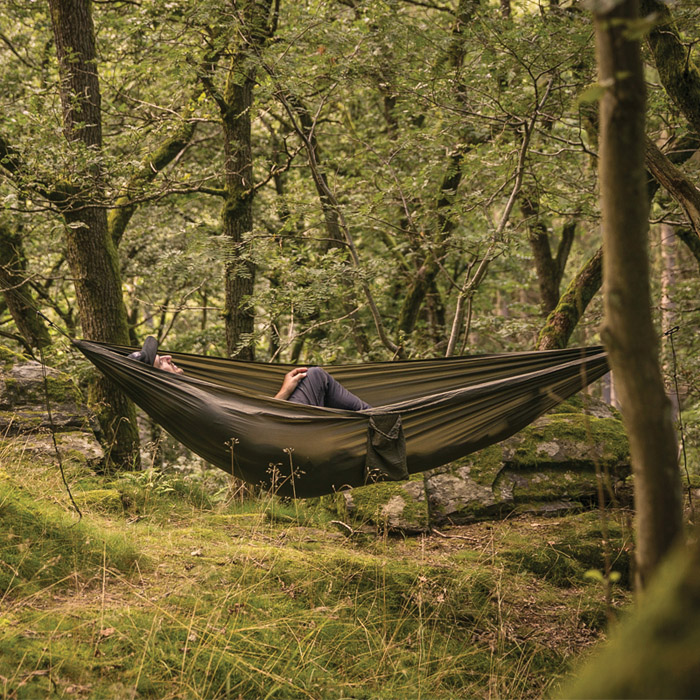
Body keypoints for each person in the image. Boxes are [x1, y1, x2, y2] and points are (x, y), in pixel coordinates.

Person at [127, 336, 370, 410]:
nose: (169, 357)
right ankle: (375, 419)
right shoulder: (193, 399)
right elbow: (253, 419)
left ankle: (367, 421)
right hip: (282, 431)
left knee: (318, 383)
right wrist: (285, 391)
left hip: (279, 429)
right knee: (315, 376)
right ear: (161, 378)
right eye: (162, 362)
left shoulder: (183, 398)